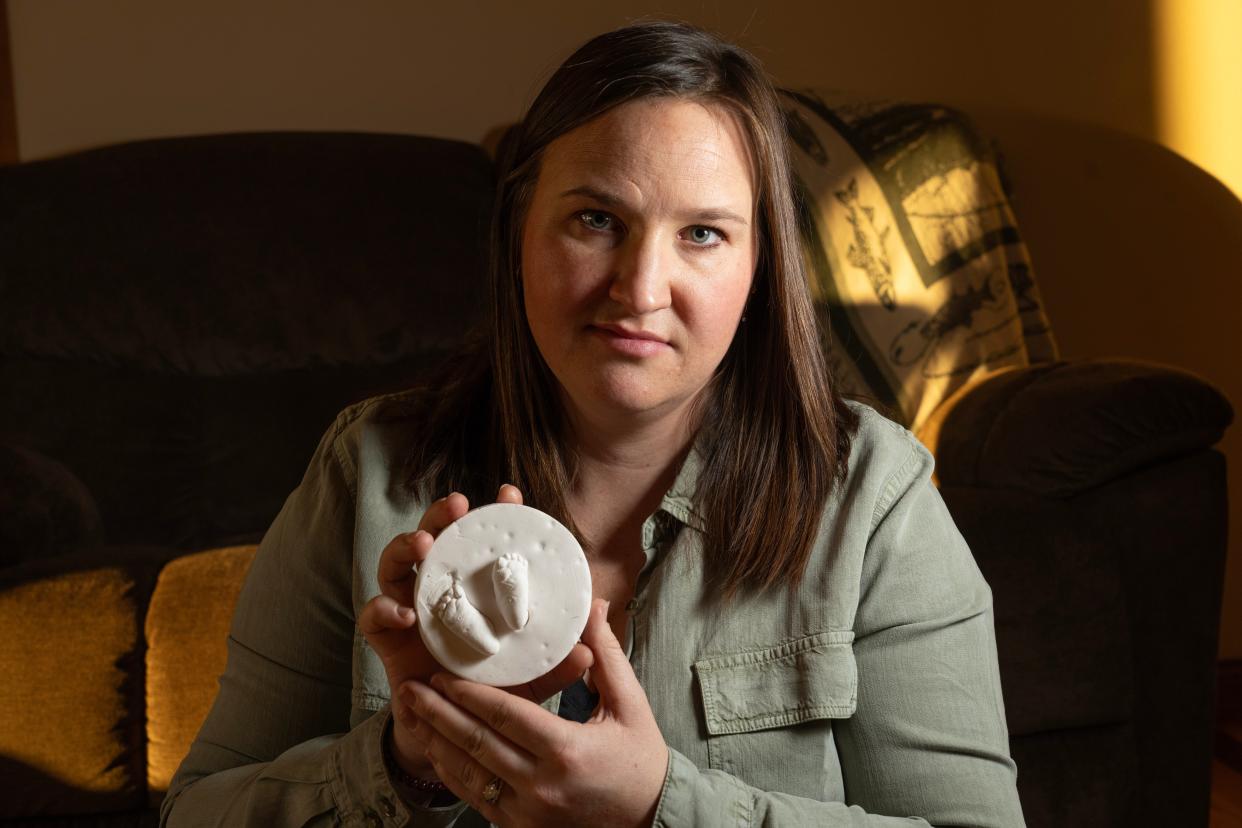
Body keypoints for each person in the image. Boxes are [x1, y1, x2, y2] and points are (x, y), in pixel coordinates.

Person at [162, 20, 1025, 828]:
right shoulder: (371, 469)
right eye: (597, 220)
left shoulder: (875, 496)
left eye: (702, 234)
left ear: (761, 267)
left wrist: (659, 806)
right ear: (518, 233)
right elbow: (195, 812)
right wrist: (404, 759)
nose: (641, 288)